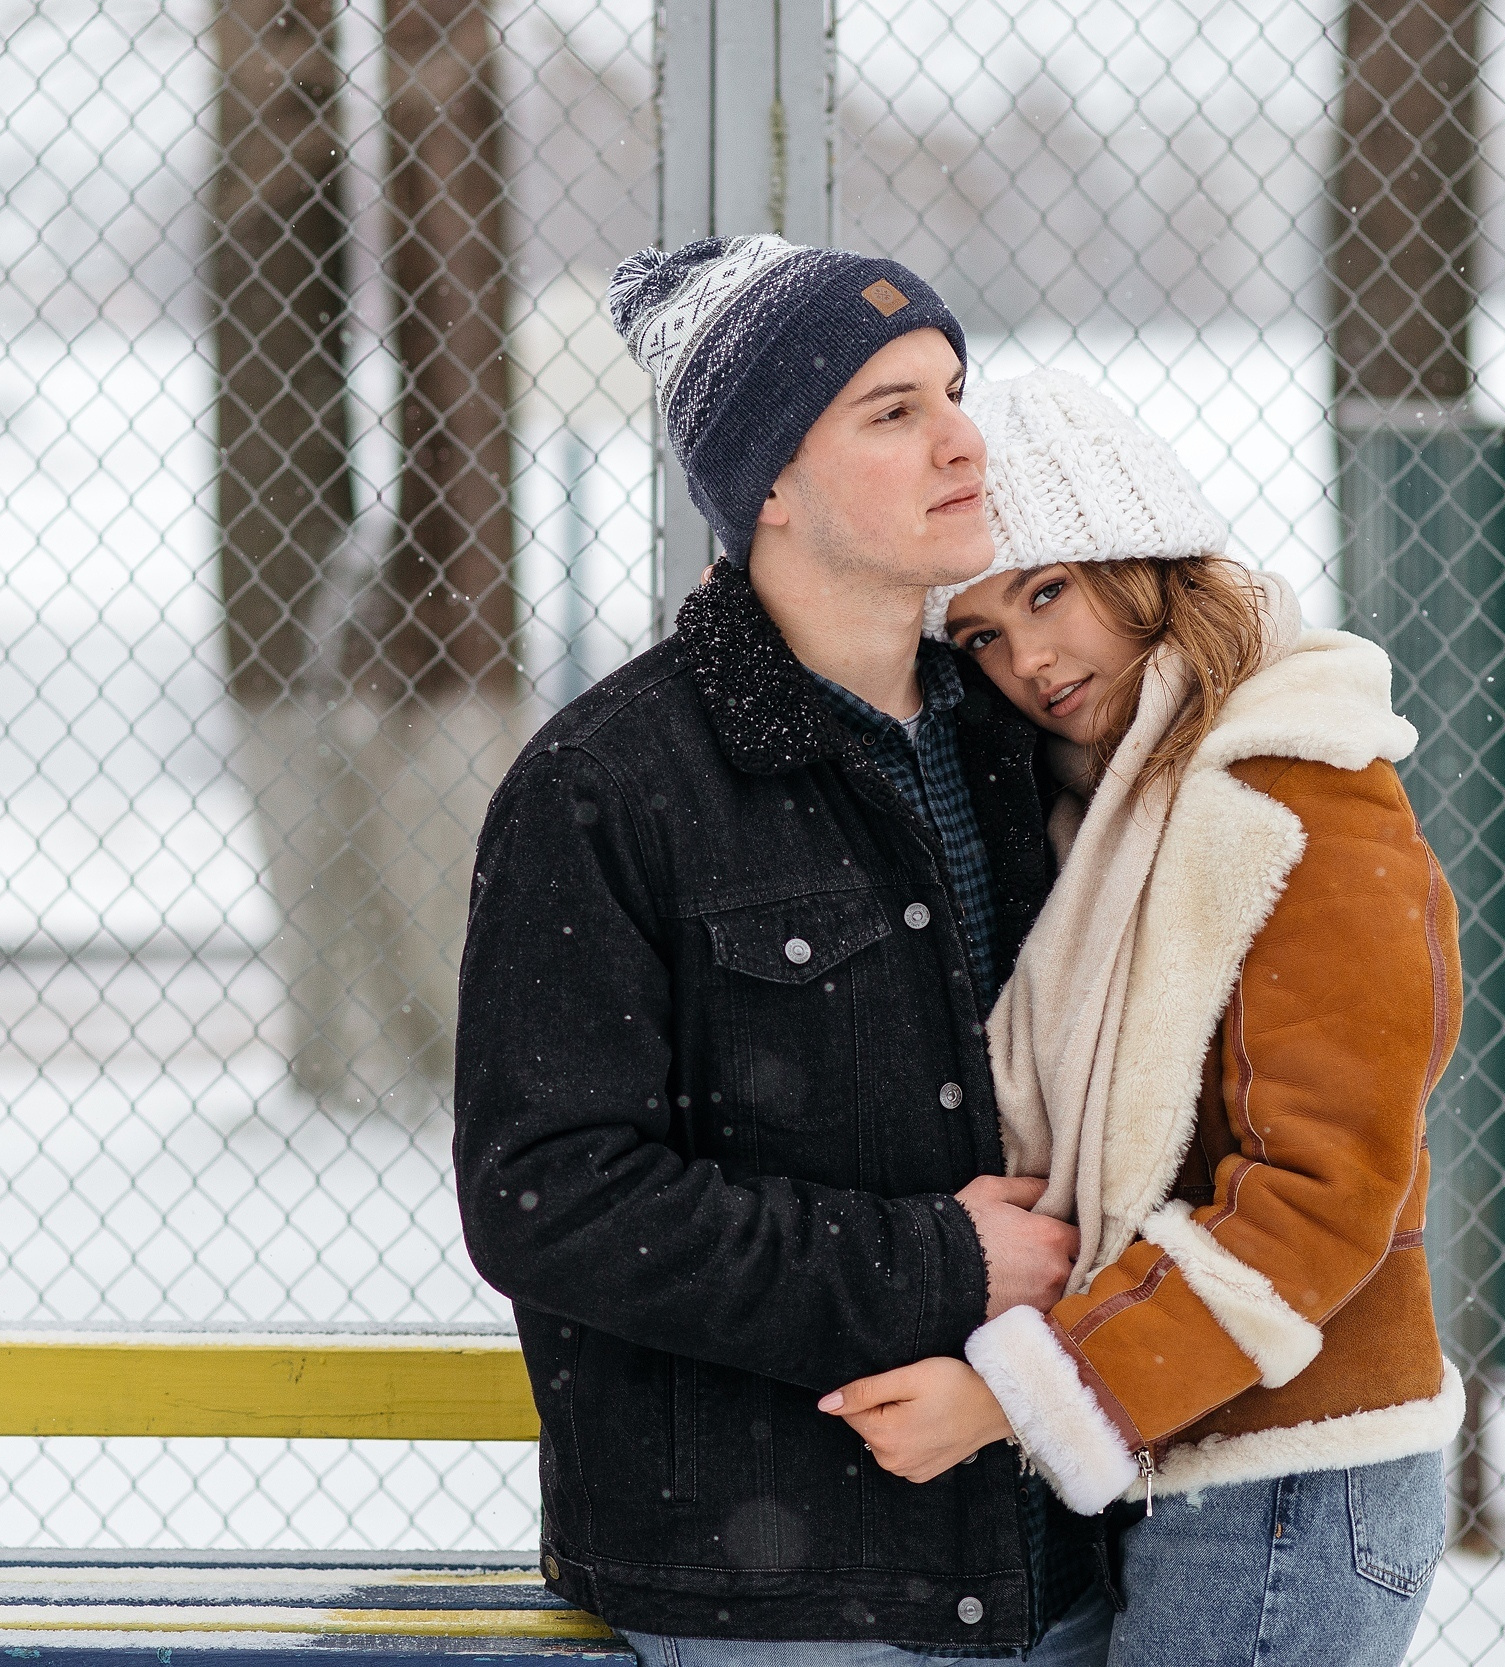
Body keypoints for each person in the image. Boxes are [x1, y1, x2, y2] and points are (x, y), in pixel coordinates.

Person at [452, 238, 1110, 1660]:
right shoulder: (612, 787)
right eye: (892, 412)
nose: (961, 441)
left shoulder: (1020, 743)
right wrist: (936, 1265)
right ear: (768, 489)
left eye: (952, 390)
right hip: (778, 1594)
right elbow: (548, 1200)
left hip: (1056, 1554)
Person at [818, 368, 1465, 1667]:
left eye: (1048, 591)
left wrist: (1023, 1394)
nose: (1030, 660)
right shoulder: (1114, 810)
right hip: (1188, 1451)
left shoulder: (1292, 798)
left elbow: (1321, 1193)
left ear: (1146, 556)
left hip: (1290, 1471)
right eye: (983, 634)